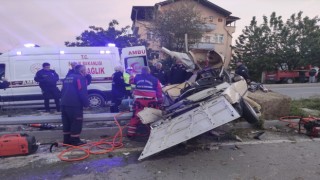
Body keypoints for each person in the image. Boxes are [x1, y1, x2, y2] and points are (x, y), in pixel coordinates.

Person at [127, 66, 163, 138]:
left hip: (139, 101)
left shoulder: (137, 77)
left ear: (141, 71)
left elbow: (130, 81)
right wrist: (160, 101)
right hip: (151, 101)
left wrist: (131, 74)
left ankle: (130, 134)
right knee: (152, 117)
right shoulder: (155, 79)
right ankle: (152, 135)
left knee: (136, 116)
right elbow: (159, 91)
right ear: (149, 71)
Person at [60, 65, 89, 146]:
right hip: (74, 105)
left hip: (64, 104)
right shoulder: (80, 78)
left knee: (66, 123)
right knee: (76, 122)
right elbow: (82, 92)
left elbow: (62, 91)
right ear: (82, 71)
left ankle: (66, 141)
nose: (86, 71)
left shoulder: (68, 77)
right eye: (85, 70)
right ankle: (75, 141)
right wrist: (86, 104)